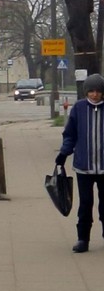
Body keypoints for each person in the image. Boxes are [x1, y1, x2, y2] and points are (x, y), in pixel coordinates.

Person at [57, 73, 104, 253]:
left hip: (103, 167)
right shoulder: (79, 108)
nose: (94, 94)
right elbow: (70, 135)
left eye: (98, 91)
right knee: (85, 203)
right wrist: (63, 153)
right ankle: (83, 239)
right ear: (86, 92)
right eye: (91, 91)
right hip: (83, 167)